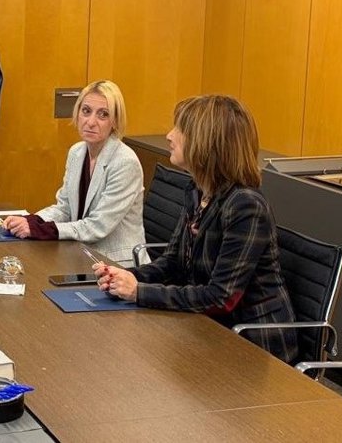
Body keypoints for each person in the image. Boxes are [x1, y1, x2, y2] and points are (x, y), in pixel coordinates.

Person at [95, 95, 297, 363]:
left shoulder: (246, 206)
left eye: (179, 129)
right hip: (206, 326)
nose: (169, 136)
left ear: (206, 142)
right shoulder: (197, 190)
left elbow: (221, 297)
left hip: (252, 344)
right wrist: (125, 276)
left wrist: (139, 291)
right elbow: (173, 263)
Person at [3, 80, 147, 265]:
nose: (91, 122)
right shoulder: (77, 152)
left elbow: (97, 227)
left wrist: (39, 230)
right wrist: (31, 221)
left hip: (117, 264)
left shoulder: (125, 162)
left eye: (103, 114)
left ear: (115, 121)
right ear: (77, 114)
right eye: (86, 111)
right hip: (81, 253)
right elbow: (65, 208)